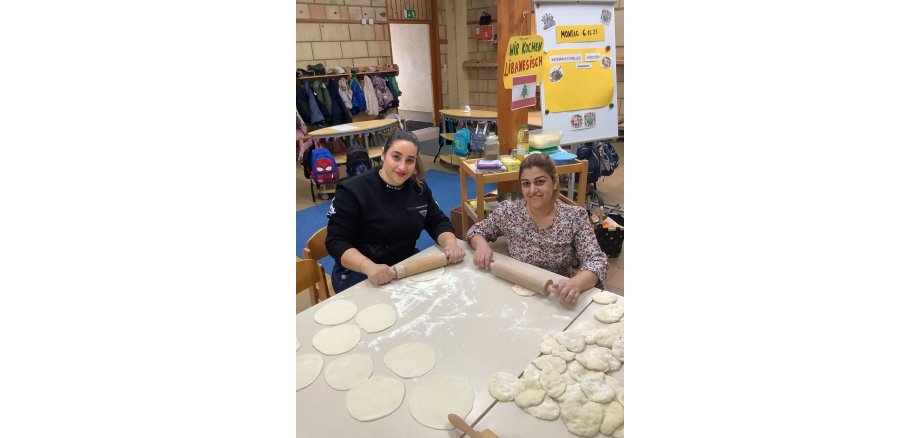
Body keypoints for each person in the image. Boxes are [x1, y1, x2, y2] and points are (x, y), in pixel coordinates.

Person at [325, 129, 465, 293]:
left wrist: (450, 243)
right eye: (396, 157)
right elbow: (336, 242)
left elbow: (437, 221)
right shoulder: (353, 191)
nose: (402, 167)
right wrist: (368, 266)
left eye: (410, 160)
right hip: (359, 269)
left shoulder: (418, 187)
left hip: (403, 261)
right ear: (383, 155)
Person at [467, 153, 608, 303]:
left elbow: (597, 261)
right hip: (517, 289)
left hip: (557, 296)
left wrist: (576, 283)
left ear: (554, 182)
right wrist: (482, 246)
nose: (532, 190)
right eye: (526, 184)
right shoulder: (509, 212)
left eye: (540, 182)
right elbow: (476, 231)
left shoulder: (574, 217)